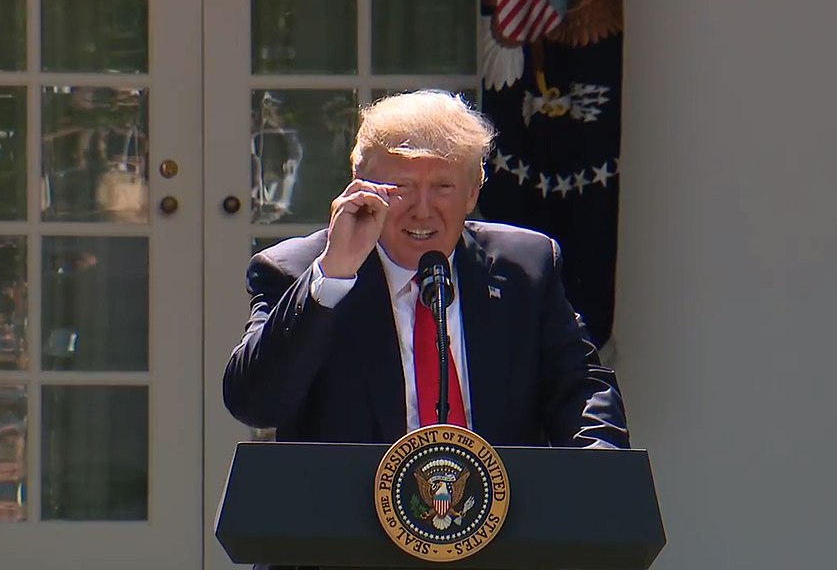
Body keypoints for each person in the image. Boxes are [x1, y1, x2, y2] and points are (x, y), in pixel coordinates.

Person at [223, 89, 628, 449]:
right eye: (400, 188)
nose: (422, 208)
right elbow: (255, 403)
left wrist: (597, 467)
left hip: (499, 522)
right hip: (349, 524)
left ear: (473, 192)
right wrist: (334, 275)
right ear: (359, 187)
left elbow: (581, 386)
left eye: (443, 188)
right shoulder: (295, 270)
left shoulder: (527, 266)